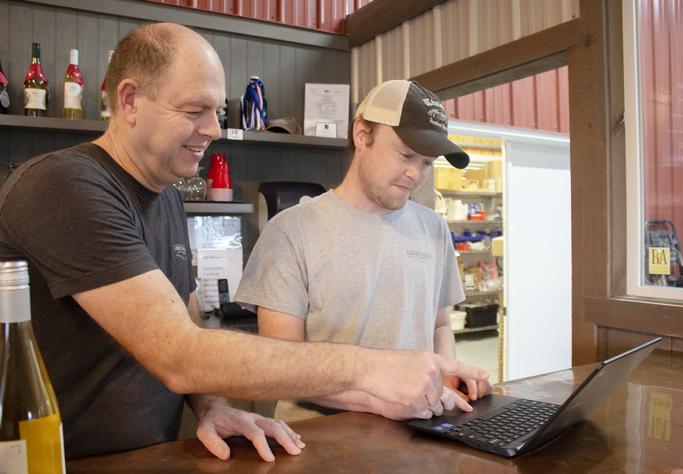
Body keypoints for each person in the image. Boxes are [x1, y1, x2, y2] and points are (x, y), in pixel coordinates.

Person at [0, 23, 486, 462]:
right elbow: (179, 354)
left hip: (147, 455)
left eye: (216, 110)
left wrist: (212, 406)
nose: (213, 128)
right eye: (195, 110)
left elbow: (184, 319)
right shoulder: (65, 186)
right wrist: (375, 370)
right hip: (61, 461)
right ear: (128, 100)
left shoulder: (165, 197)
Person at [237, 80, 493, 421]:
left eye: (427, 163)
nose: (416, 174)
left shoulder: (433, 228)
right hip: (318, 443)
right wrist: (383, 397)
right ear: (362, 135)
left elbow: (439, 326)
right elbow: (281, 366)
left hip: (420, 435)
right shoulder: (289, 231)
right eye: (405, 155)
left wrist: (448, 376)